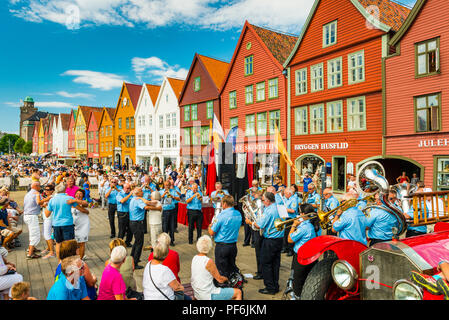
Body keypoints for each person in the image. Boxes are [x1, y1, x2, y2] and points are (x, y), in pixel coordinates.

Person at [248, 192, 284, 295]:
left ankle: (270, 287)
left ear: (268, 201)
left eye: (263, 200)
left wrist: (250, 222)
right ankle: (275, 285)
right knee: (275, 263)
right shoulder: (280, 207)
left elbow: (260, 225)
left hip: (270, 240)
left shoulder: (269, 211)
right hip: (279, 239)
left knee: (266, 263)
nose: (262, 202)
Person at [191, 235, 242, 300]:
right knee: (238, 292)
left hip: (197, 292)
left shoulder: (195, 258)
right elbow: (220, 279)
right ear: (210, 247)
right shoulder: (208, 261)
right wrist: (226, 279)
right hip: (207, 294)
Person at [44, 183, 85, 260]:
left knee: (58, 244)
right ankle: (69, 261)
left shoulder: (52, 200)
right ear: (64, 189)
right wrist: (86, 211)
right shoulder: (69, 198)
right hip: (67, 224)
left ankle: (60, 262)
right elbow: (80, 208)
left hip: (56, 224)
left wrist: (47, 205)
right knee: (69, 244)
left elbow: (47, 214)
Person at [208, 195, 241, 279]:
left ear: (225, 204)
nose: (222, 205)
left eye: (222, 203)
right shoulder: (238, 214)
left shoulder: (221, 215)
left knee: (221, 270)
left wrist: (209, 226)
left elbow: (211, 232)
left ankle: (224, 288)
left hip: (222, 246)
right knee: (231, 268)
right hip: (233, 245)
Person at [288, 204, 317, 298]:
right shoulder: (314, 224)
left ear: (303, 214)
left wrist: (294, 225)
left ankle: (297, 297)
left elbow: (289, 239)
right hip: (312, 255)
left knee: (297, 281)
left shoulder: (305, 227)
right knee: (306, 279)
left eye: (299, 212)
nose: (298, 214)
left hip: (301, 257)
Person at [142, 236, 184, 300]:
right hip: (163, 297)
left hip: (148, 297)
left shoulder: (148, 264)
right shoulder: (165, 270)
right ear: (165, 255)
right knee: (186, 296)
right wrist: (181, 288)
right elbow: (176, 287)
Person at [128, 187, 160, 269]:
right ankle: (135, 262)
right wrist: (157, 208)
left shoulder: (134, 199)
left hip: (133, 222)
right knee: (139, 243)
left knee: (136, 241)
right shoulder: (138, 200)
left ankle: (132, 258)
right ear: (137, 193)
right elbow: (146, 207)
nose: (142, 192)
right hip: (137, 223)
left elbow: (146, 203)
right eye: (141, 191)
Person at [23, 182, 49, 259]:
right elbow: (40, 203)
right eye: (40, 186)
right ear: (36, 186)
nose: (40, 187)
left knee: (32, 233)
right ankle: (30, 254)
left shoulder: (28, 194)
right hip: (32, 216)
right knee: (35, 235)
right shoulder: (36, 193)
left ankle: (31, 249)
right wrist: (49, 199)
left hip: (27, 215)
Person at [160, 181, 180, 246]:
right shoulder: (161, 191)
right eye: (166, 185)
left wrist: (172, 196)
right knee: (165, 227)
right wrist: (163, 195)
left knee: (172, 226)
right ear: (164, 185)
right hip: (165, 211)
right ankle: (165, 241)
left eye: (168, 185)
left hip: (172, 210)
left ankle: (171, 241)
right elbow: (158, 200)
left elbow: (179, 198)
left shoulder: (173, 191)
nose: (167, 186)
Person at [72, 189, 90, 260]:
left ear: (83, 195)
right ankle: (77, 257)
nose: (78, 195)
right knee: (75, 244)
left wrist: (75, 202)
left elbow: (85, 205)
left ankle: (80, 259)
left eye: (80, 194)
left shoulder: (83, 202)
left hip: (83, 225)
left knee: (82, 243)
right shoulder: (71, 202)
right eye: (77, 193)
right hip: (74, 225)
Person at [281, 188, 298, 256]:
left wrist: (284, 209)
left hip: (291, 218)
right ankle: (285, 247)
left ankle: (291, 250)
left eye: (285, 193)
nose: (284, 195)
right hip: (286, 218)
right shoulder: (286, 199)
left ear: (289, 194)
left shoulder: (293, 200)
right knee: (285, 233)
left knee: (290, 234)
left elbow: (293, 210)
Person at [116, 183, 134, 247]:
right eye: (126, 188)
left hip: (130, 213)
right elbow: (122, 201)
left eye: (129, 188)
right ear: (123, 188)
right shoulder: (120, 194)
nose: (127, 189)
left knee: (130, 229)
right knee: (122, 230)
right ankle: (119, 243)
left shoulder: (131, 194)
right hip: (122, 213)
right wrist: (130, 194)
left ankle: (128, 242)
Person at [41, 184, 56, 259]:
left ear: (52, 191)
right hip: (46, 217)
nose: (46, 191)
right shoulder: (48, 197)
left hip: (49, 217)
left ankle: (52, 252)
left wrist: (44, 205)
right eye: (45, 189)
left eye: (48, 190)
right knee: (44, 233)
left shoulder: (51, 197)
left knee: (47, 234)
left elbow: (40, 202)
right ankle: (49, 248)